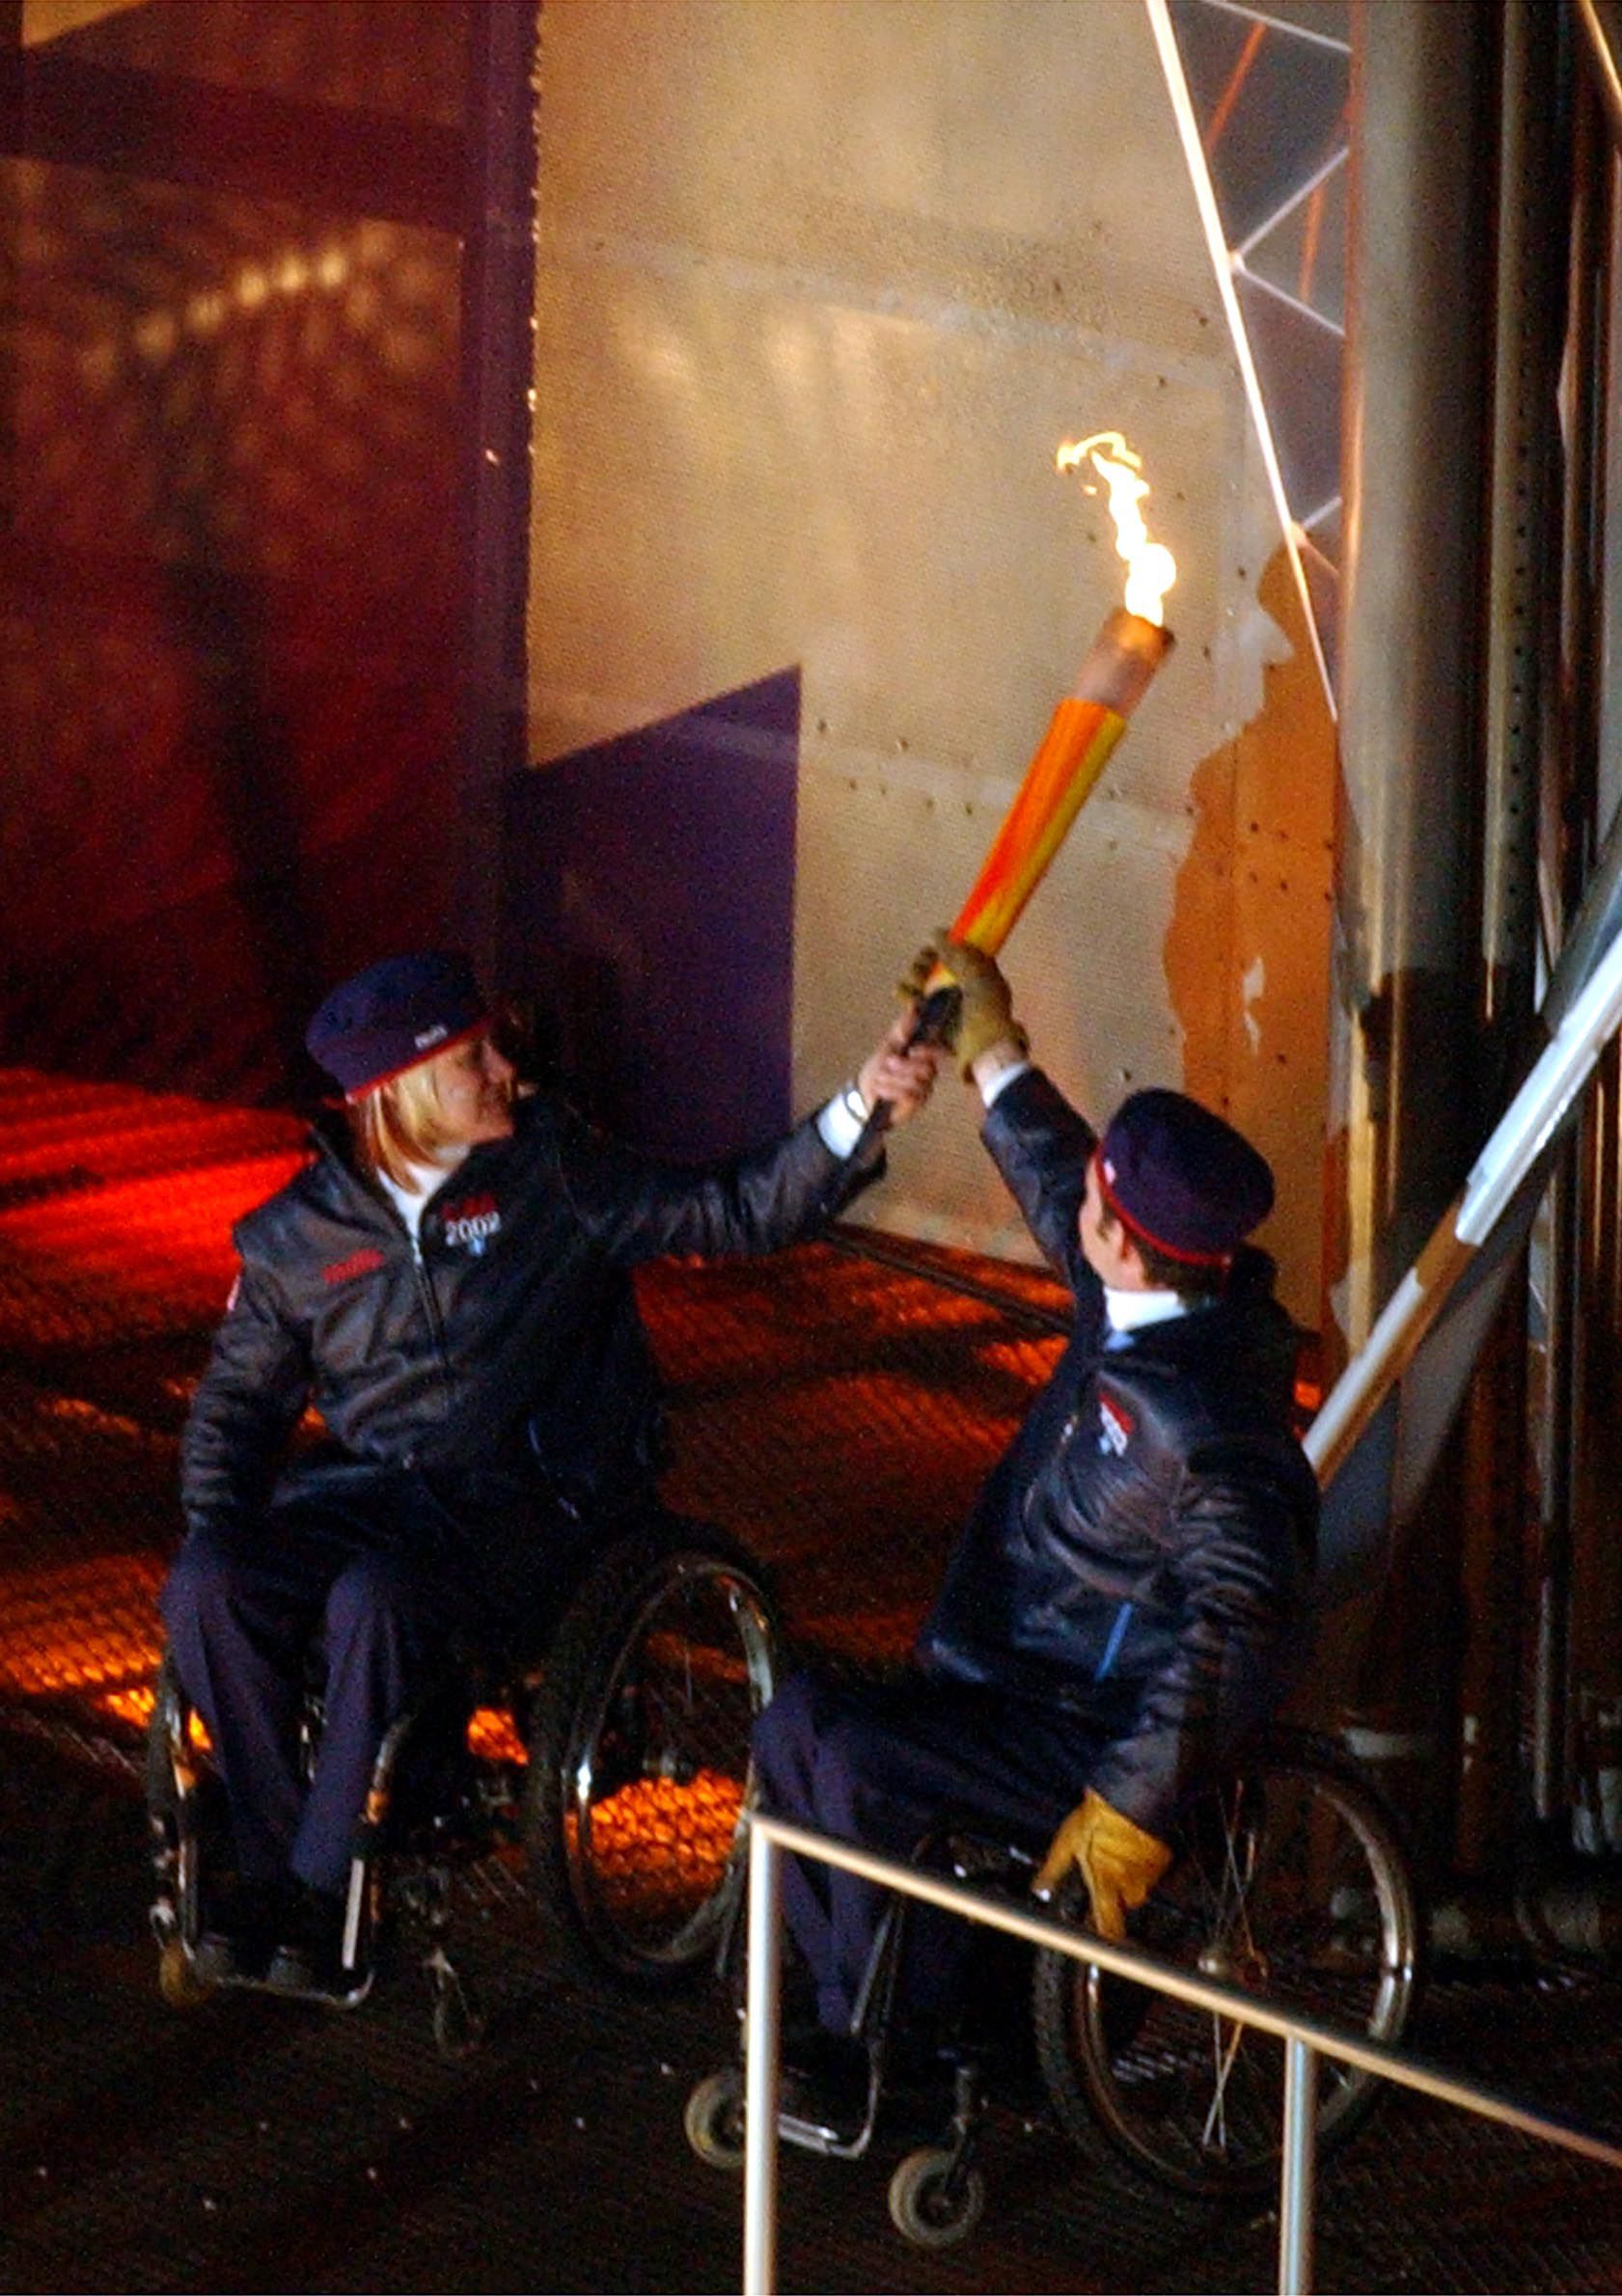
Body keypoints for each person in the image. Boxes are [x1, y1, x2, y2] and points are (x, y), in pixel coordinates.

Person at [160, 947, 937, 1992]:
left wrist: (862, 1108)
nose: (506, 1073)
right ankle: (267, 1856)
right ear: (397, 1096)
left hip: (536, 1500)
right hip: (370, 1491)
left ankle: (326, 1882)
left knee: (376, 1600)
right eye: (473, 1058)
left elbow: (734, 1206)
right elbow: (235, 1412)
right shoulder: (302, 1236)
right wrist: (220, 1527)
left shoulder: (552, 1171)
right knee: (211, 1583)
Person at [750, 931, 1318, 2121]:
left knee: (850, 1759)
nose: (1081, 1219)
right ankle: (847, 2010)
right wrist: (991, 1048)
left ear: (1128, 1240)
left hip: (1079, 1727)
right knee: (798, 1722)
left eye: (1098, 1213)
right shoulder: (1150, 1292)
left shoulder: (1204, 1420)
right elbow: (1064, 1179)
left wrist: (1127, 1808)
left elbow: (1244, 1620)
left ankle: (885, 2044)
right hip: (999, 1674)